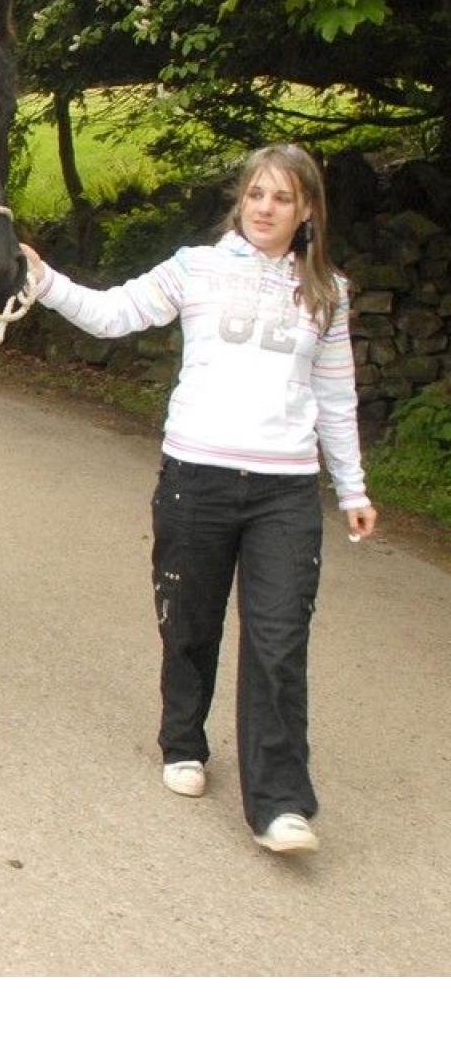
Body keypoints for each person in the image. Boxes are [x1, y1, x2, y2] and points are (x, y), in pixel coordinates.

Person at [21, 143, 378, 856]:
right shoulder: (197, 268)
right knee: (190, 625)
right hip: (197, 480)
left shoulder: (325, 292)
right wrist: (47, 282)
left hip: (285, 491)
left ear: (306, 209)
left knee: (279, 643)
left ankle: (280, 804)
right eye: (255, 196)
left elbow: (334, 398)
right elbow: (114, 313)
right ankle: (184, 740)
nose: (266, 209)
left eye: (281, 198)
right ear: (240, 203)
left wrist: (353, 487)